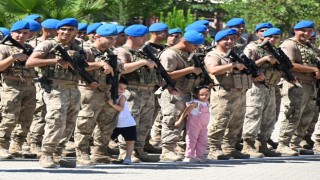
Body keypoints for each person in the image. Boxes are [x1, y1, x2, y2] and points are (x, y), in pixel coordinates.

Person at [26, 18, 96, 168]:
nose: (66, 32)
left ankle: (58, 154)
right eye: (63, 29)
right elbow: (30, 62)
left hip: (73, 88)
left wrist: (91, 79)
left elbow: (82, 67)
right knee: (56, 121)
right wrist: (55, 61)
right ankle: (46, 155)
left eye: (71, 30)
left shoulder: (78, 47)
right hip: (55, 88)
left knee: (69, 123)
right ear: (57, 30)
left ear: (76, 32)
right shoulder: (48, 45)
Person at [204, 29, 265, 160]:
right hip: (223, 94)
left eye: (232, 39)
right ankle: (214, 149)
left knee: (236, 123)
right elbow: (213, 70)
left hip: (240, 93)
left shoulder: (235, 54)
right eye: (226, 39)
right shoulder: (213, 55)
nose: (230, 41)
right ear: (218, 41)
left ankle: (230, 147)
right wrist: (232, 65)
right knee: (220, 122)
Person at [73, 24, 119, 166]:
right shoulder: (86, 51)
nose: (112, 41)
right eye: (109, 38)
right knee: (85, 123)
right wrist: (99, 64)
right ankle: (82, 153)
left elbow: (119, 69)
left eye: (114, 38)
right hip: (89, 91)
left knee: (107, 124)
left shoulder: (111, 53)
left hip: (107, 90)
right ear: (97, 37)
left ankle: (100, 152)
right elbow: (78, 67)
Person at [113, 24, 158, 163]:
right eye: (142, 36)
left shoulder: (145, 50)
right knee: (129, 123)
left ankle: (139, 150)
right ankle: (125, 153)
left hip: (148, 91)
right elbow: (122, 68)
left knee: (145, 123)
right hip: (132, 92)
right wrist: (143, 62)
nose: (146, 38)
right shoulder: (122, 51)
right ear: (132, 37)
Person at [158, 30, 204, 162]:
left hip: (188, 92)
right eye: (194, 45)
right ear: (185, 42)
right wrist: (189, 70)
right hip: (173, 93)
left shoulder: (189, 54)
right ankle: (167, 151)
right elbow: (166, 74)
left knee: (188, 123)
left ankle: (183, 149)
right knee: (173, 120)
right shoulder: (170, 54)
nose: (197, 48)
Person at [276, 20, 318, 156]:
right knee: (293, 115)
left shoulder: (309, 45)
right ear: (295, 30)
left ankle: (295, 144)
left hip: (310, 85)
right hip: (296, 84)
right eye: (303, 30)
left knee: (306, 116)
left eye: (310, 31)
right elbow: (290, 65)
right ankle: (283, 144)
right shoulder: (289, 44)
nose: (306, 33)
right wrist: (313, 69)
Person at [242, 26, 283, 158]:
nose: (272, 40)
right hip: (256, 87)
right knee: (253, 115)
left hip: (270, 86)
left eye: (276, 37)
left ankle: (263, 144)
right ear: (263, 37)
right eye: (269, 37)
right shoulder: (252, 48)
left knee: (269, 117)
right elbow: (245, 66)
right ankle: (247, 145)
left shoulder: (276, 50)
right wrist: (264, 59)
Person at [0, 20, 36, 159]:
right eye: (18, 33)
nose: (21, 35)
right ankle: (2, 145)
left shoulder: (30, 48)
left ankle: (17, 146)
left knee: (26, 119)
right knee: (9, 118)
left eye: (24, 33)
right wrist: (13, 57)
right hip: (11, 87)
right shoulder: (4, 47)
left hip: (29, 86)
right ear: (12, 33)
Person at [175, 85, 210, 162]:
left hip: (204, 126)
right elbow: (186, 112)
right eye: (202, 95)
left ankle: (199, 156)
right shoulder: (195, 103)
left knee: (202, 140)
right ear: (197, 95)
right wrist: (180, 120)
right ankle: (189, 156)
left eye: (206, 95)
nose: (204, 97)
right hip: (194, 125)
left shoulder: (207, 103)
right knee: (191, 140)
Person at [109, 77, 137, 165]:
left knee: (130, 141)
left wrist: (112, 104)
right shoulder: (109, 94)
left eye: (124, 89)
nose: (121, 90)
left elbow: (120, 108)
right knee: (107, 139)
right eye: (119, 88)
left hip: (127, 124)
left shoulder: (122, 97)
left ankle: (128, 157)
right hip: (115, 124)